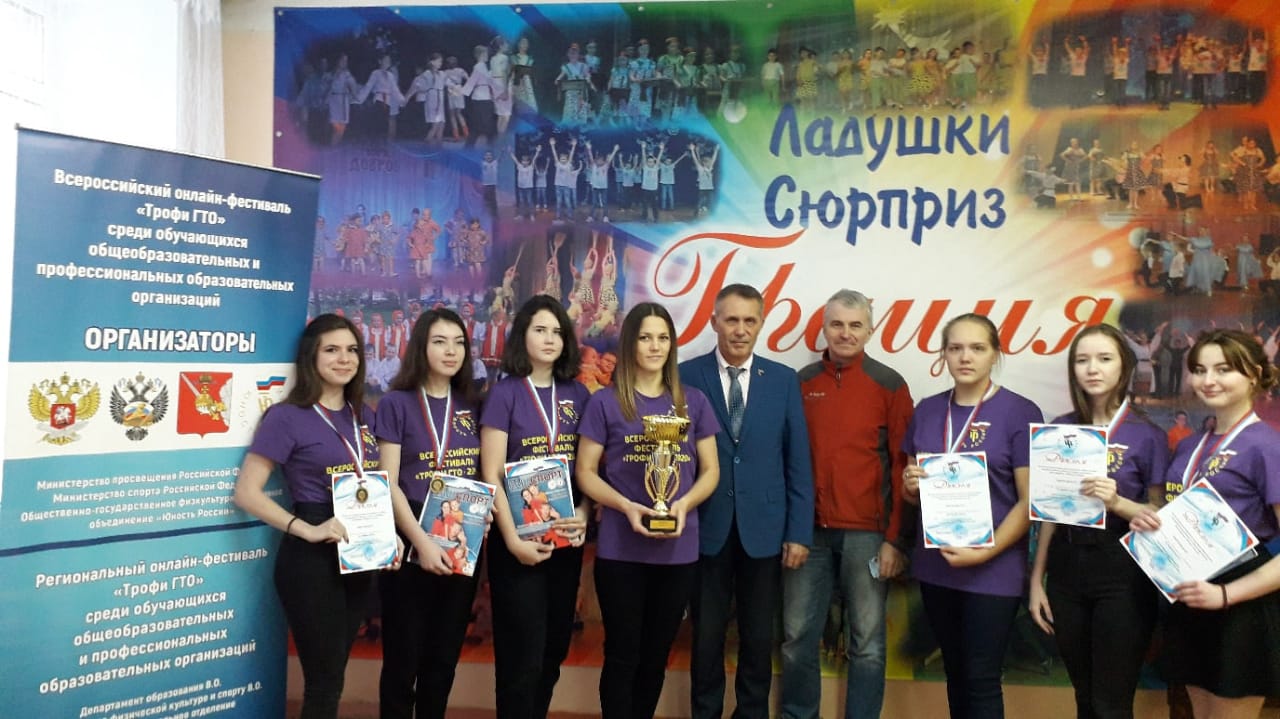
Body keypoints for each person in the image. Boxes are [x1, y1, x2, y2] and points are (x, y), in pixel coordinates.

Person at [233, 314, 395, 719]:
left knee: (333, 675)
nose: (344, 359)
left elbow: (373, 485)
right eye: (332, 350)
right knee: (323, 683)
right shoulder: (287, 416)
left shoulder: (363, 415)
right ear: (311, 357)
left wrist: (386, 535)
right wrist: (306, 529)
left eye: (352, 350)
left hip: (358, 554)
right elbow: (246, 492)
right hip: (311, 558)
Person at [576, 302, 720, 719]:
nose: (655, 346)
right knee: (622, 654)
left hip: (677, 548)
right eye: (645, 338)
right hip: (621, 548)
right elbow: (585, 471)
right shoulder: (605, 403)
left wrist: (683, 504)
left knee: (656, 656)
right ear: (630, 344)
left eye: (662, 338)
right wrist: (625, 505)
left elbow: (711, 471)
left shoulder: (693, 402)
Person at [678, 284, 814, 719]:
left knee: (757, 637)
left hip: (766, 530)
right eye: (731, 320)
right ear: (714, 322)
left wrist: (798, 532)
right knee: (706, 636)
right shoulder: (684, 375)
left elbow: (797, 461)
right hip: (705, 527)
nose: (740, 330)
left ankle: (752, 713)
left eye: (749, 320)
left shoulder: (783, 380)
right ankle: (705, 712)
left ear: (761, 324)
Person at [1131, 329, 1280, 719]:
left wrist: (1227, 594)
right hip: (1190, 595)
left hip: (1241, 600)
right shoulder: (1190, 444)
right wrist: (1150, 522)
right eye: (1199, 370)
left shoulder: (1267, 445)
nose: (1208, 380)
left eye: (1223, 369)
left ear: (1254, 374)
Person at [780, 289, 914, 719]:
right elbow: (785, 460)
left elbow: (903, 468)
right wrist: (791, 529)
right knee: (797, 637)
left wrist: (895, 539)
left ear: (870, 330)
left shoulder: (889, 384)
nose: (845, 333)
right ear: (823, 328)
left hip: (869, 536)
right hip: (808, 534)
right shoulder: (799, 383)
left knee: (868, 643)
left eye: (856, 325)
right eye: (837, 324)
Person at [902, 312, 1043, 719]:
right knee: (955, 674)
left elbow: (1029, 501)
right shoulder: (928, 410)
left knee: (981, 679)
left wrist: (984, 552)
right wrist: (911, 487)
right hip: (938, 565)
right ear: (943, 354)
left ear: (995, 354)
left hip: (993, 568)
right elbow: (913, 494)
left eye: (977, 348)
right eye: (956, 348)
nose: (966, 357)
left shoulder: (1019, 411)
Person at [1026, 324, 1168, 719]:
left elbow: (1159, 515)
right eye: (1082, 360)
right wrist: (1037, 580)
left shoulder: (1147, 435)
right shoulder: (1060, 428)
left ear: (1124, 367)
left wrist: (1117, 502)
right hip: (1067, 570)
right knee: (1085, 697)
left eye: (1104, 359)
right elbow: (1048, 512)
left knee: (1111, 703)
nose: (1092, 369)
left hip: (1122, 570)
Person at [480, 296, 593, 719]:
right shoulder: (504, 393)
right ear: (522, 336)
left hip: (565, 538)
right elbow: (491, 472)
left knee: (554, 646)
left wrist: (584, 513)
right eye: (539, 330)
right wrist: (512, 540)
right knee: (521, 654)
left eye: (557, 332)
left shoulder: (579, 394)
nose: (549, 339)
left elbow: (589, 467)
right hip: (517, 544)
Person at [375, 308, 484, 719]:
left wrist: (484, 513)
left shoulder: (473, 403)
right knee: (403, 656)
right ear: (421, 347)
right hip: (410, 530)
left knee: (444, 655)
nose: (451, 351)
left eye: (458, 343)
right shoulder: (396, 403)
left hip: (461, 531)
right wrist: (420, 542)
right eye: (440, 342)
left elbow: (481, 473)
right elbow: (388, 482)